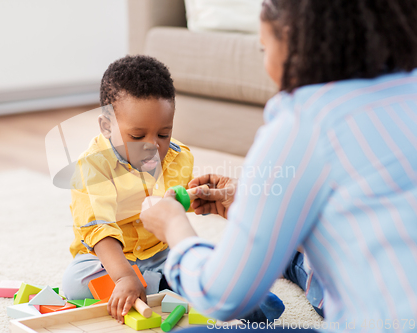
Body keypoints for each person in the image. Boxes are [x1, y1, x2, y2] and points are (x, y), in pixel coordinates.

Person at [139, 0, 417, 332]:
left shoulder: (302, 121)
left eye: (263, 48)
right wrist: (255, 200)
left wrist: (174, 228)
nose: (266, 63)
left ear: (291, 41)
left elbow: (223, 296)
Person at [61, 55, 285, 324]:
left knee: (200, 255)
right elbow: (99, 228)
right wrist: (123, 276)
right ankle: (174, 285)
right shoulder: (92, 167)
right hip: (106, 257)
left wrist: (195, 197)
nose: (152, 145)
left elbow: (173, 203)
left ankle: (233, 292)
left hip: (159, 252)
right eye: (137, 136)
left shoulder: (178, 157)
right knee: (73, 284)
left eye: (163, 134)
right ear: (107, 126)